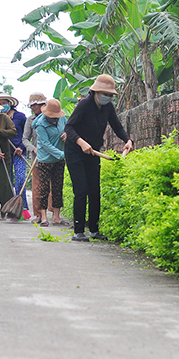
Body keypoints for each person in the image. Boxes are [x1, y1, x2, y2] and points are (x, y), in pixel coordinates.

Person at [64, 74, 133, 242]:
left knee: (95, 191)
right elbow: (69, 127)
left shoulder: (108, 108)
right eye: (105, 94)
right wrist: (81, 143)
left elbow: (117, 126)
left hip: (93, 152)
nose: (107, 97)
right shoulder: (84, 105)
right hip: (75, 151)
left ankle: (94, 230)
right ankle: (78, 231)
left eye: (110, 95)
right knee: (81, 190)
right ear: (95, 92)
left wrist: (128, 140)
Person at [0, 93, 29, 220]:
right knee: (8, 182)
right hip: (5, 153)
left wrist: (21, 147)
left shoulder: (20, 117)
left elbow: (26, 135)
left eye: (3, 103)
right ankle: (11, 210)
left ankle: (23, 208)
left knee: (20, 179)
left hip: (19, 152)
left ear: (9, 103)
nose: (2, 105)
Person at [32, 98, 67, 227]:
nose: (55, 119)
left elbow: (68, 128)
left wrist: (66, 134)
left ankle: (56, 217)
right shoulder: (40, 124)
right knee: (44, 188)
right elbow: (46, 144)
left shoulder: (62, 118)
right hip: (45, 160)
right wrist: (62, 154)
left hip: (59, 160)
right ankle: (44, 217)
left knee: (58, 187)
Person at [22, 92, 47, 223]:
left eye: (34, 105)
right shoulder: (30, 120)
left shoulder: (52, 116)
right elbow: (25, 139)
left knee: (52, 187)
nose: (32, 108)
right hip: (36, 160)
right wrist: (33, 148)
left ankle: (54, 215)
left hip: (52, 158)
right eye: (31, 106)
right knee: (37, 187)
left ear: (42, 105)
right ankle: (38, 215)